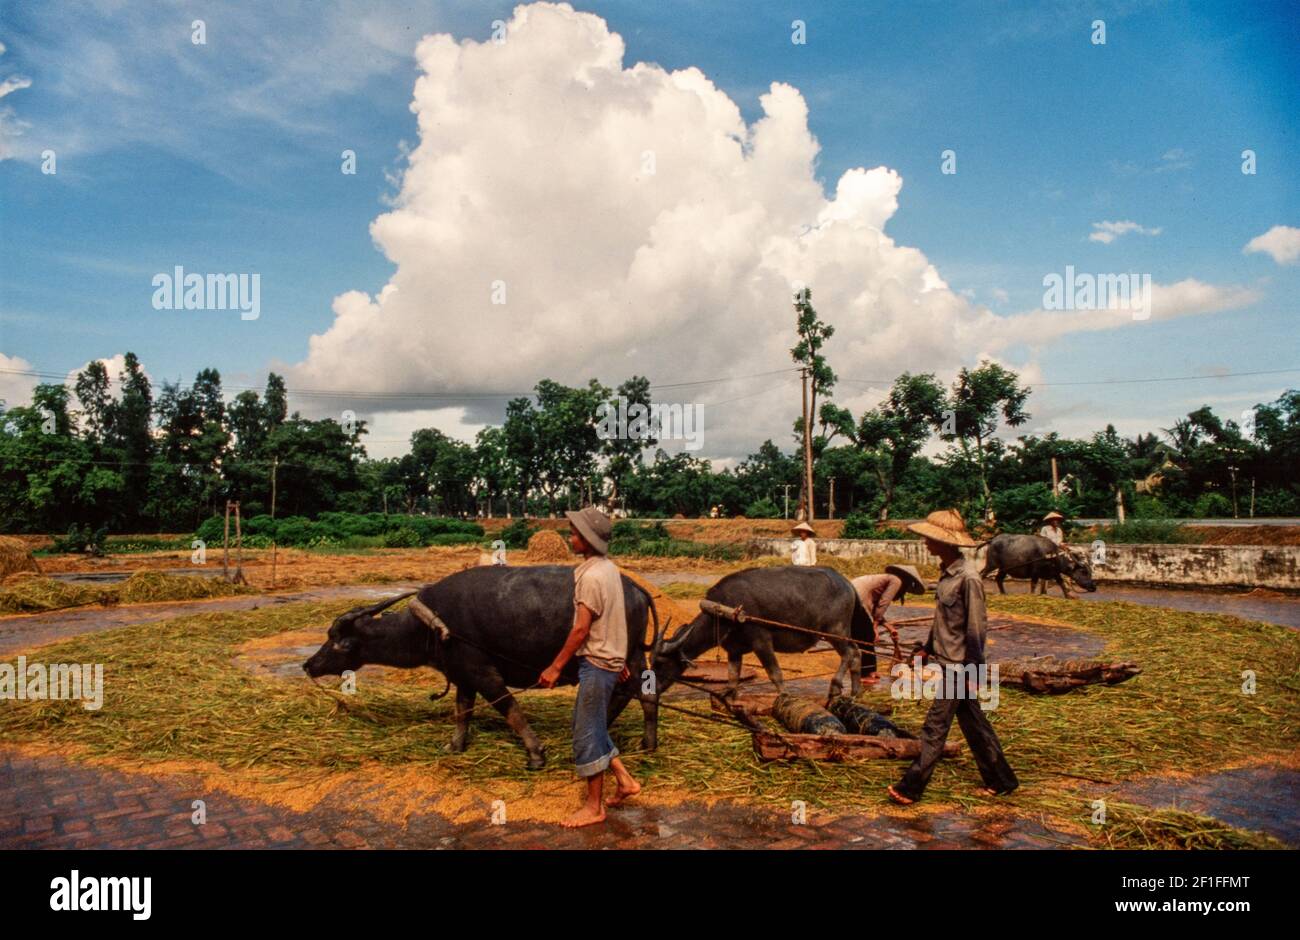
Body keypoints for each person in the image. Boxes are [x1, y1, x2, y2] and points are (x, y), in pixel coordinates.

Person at [887, 509, 1018, 805]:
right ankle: (1002, 779)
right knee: (974, 724)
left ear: (944, 543)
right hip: (946, 661)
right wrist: (927, 648)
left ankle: (912, 787)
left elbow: (975, 628)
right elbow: (943, 622)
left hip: (959, 668)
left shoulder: (968, 578)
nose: (924, 543)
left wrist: (974, 671)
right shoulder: (947, 575)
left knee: (935, 727)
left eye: (928, 538)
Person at [538, 506, 642, 828]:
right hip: (607, 660)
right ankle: (625, 781)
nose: (570, 538)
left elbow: (581, 630)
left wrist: (555, 667)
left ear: (588, 539)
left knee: (585, 734)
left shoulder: (591, 578)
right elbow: (614, 616)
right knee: (592, 725)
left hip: (596, 665)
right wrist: (619, 658)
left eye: (574, 534)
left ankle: (594, 807)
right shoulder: (609, 569)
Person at [850, 564, 926, 680]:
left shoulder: (887, 578)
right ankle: (867, 673)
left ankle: (867, 670)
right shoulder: (897, 581)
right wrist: (874, 627)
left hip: (851, 593)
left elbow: (876, 609)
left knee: (861, 635)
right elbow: (883, 604)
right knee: (868, 636)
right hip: (858, 597)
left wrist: (889, 627)